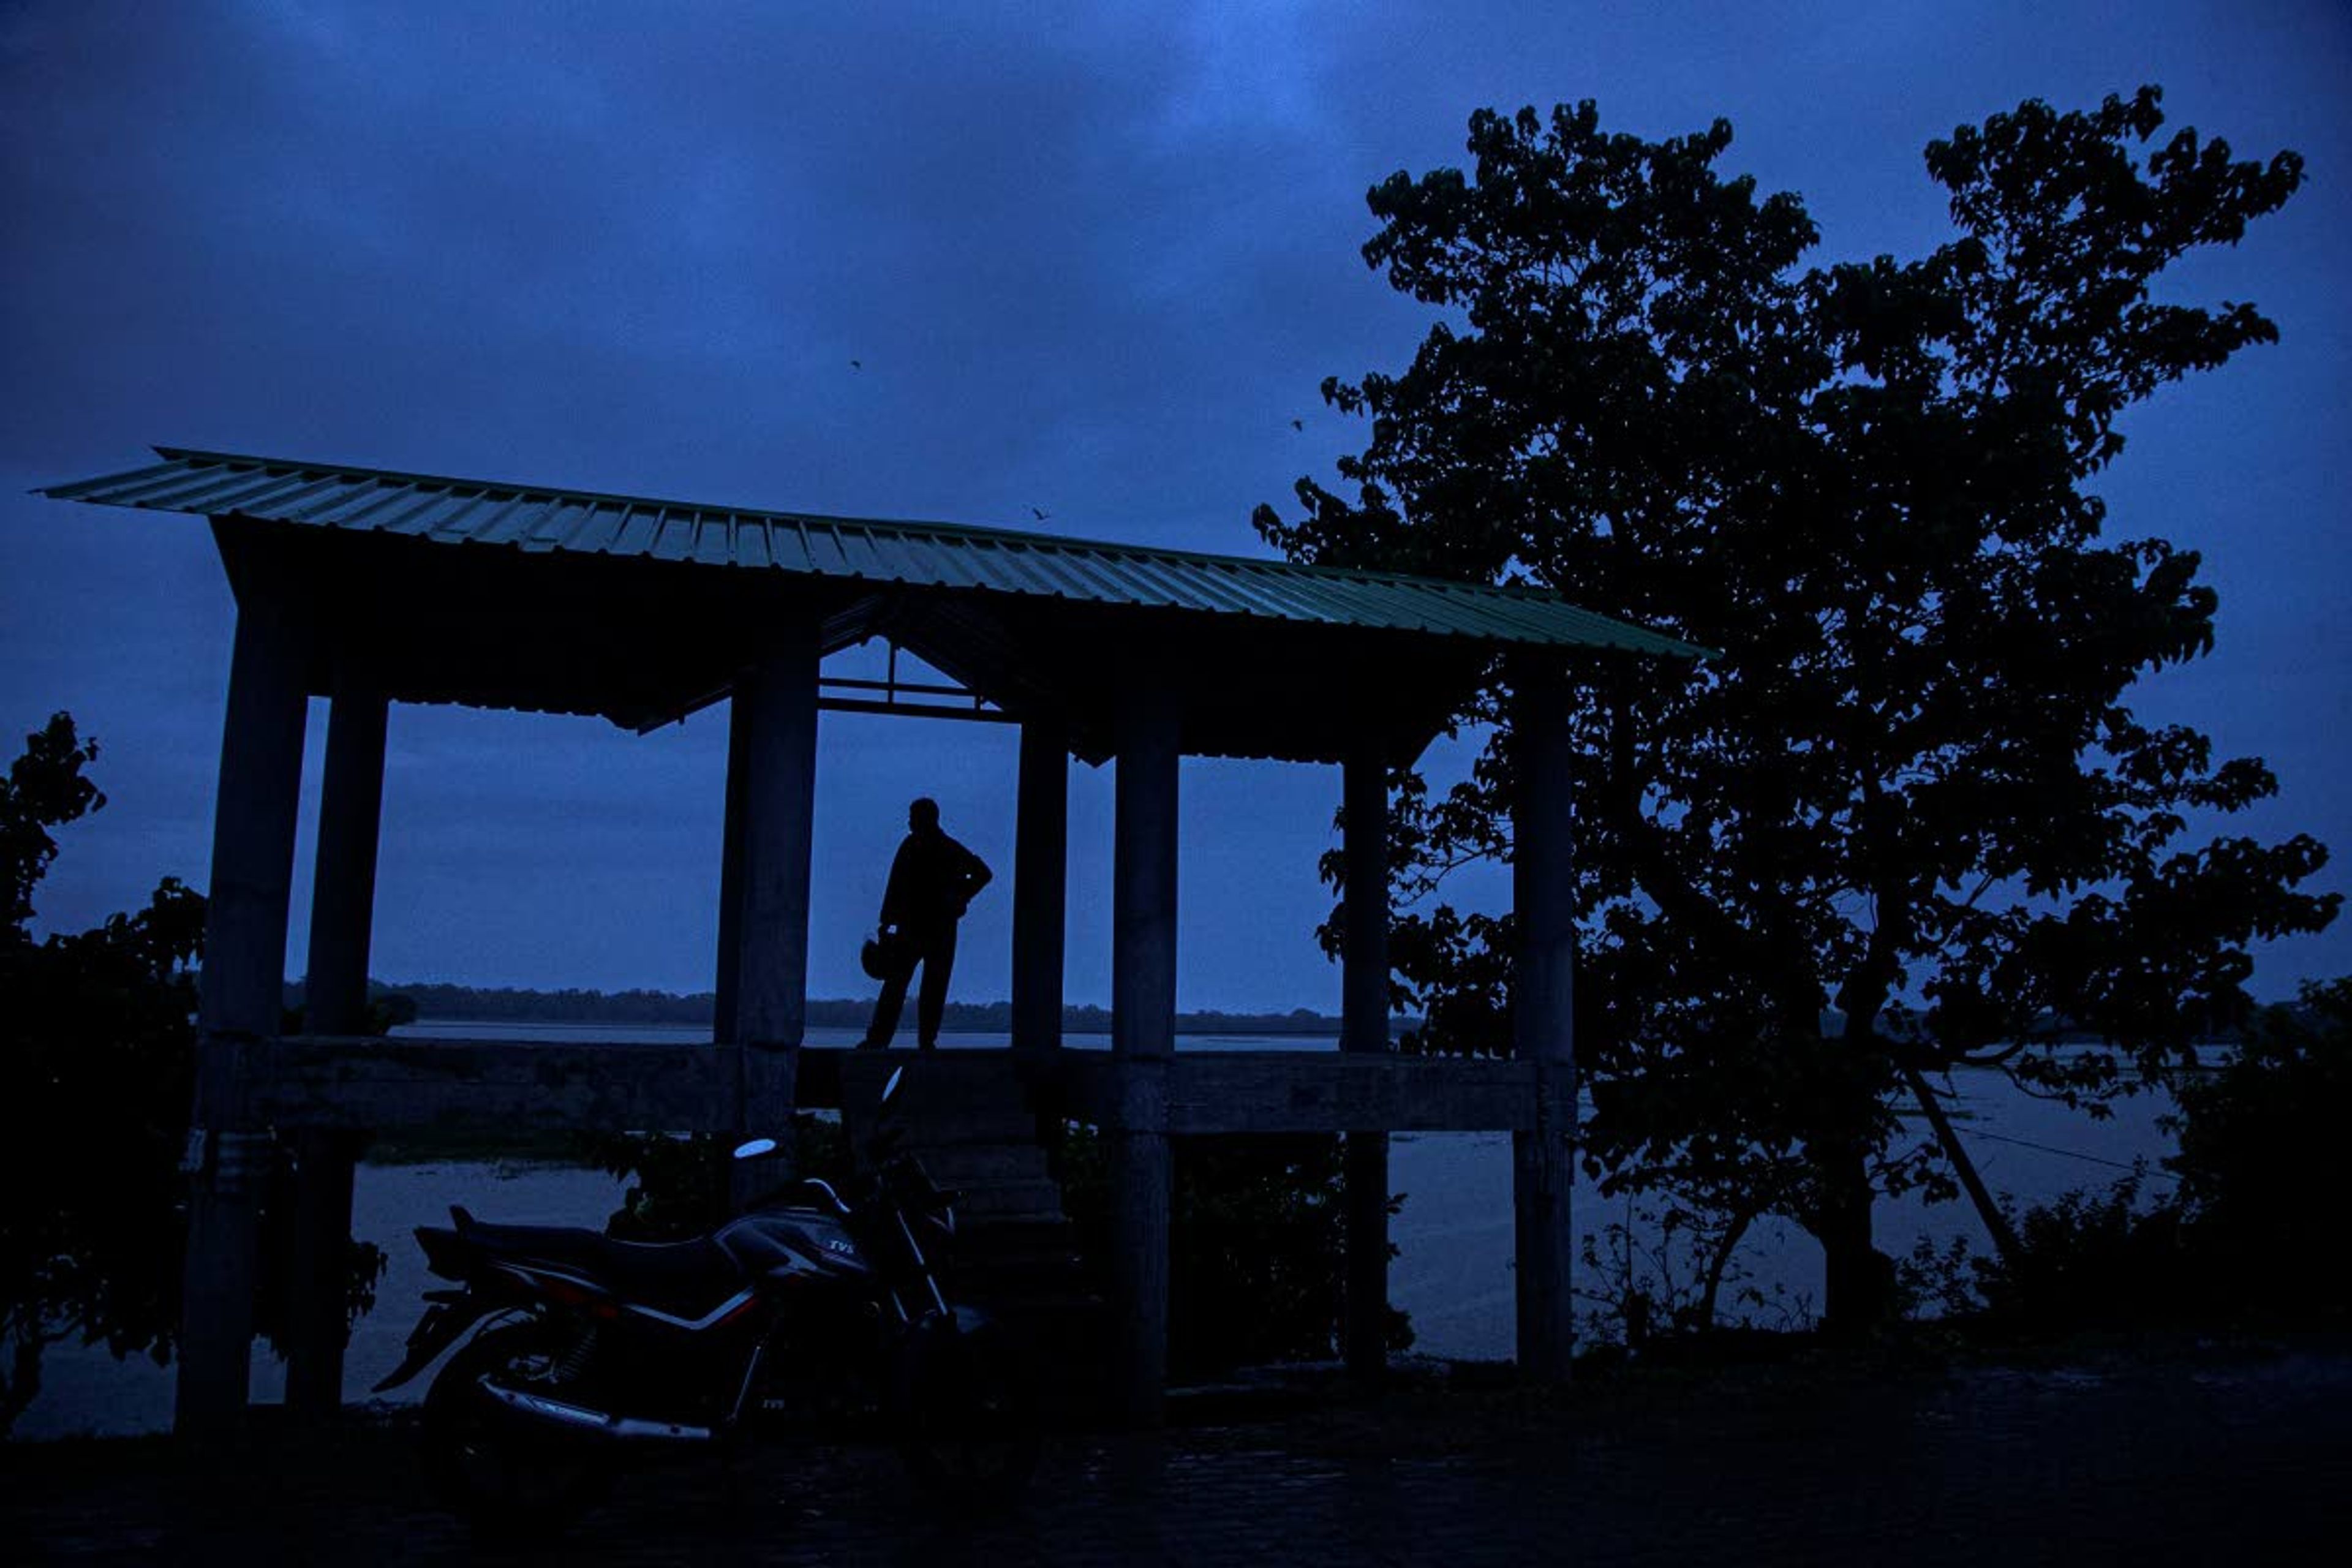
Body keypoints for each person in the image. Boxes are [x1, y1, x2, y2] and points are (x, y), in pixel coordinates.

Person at [860, 797, 992, 1050]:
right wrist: (887, 920)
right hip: (926, 928)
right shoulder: (930, 847)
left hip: (927, 929)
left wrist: (959, 895)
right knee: (910, 986)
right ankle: (900, 1041)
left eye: (913, 817)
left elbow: (983, 874)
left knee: (911, 986)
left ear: (926, 818)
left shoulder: (938, 848)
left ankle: (895, 1040)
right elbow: (896, 883)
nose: (909, 822)